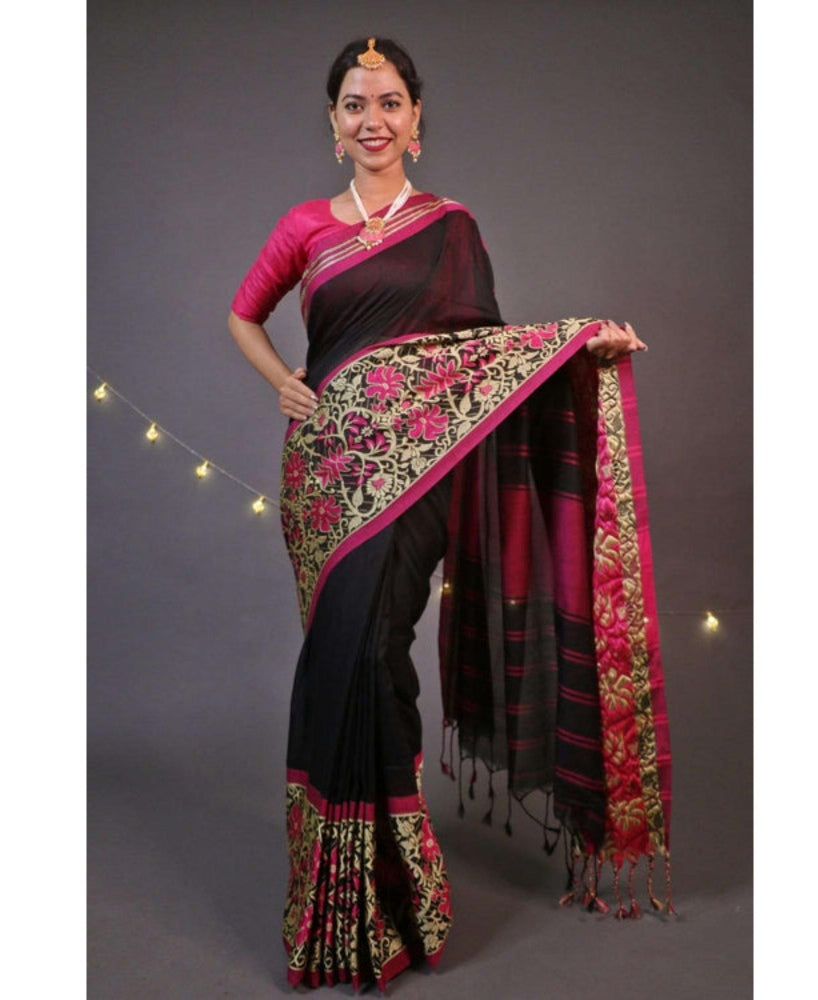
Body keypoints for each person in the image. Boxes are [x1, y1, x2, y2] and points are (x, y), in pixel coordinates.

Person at [228, 36, 673, 992]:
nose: (373, 120)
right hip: (324, 476)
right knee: (337, 659)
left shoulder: (451, 228)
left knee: (373, 650)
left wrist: (581, 347)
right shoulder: (303, 226)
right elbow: (242, 314)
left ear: (416, 120)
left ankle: (394, 893)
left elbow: (483, 361)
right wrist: (282, 382)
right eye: (355, 104)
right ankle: (334, 899)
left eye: (389, 102)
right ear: (333, 122)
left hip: (416, 479)